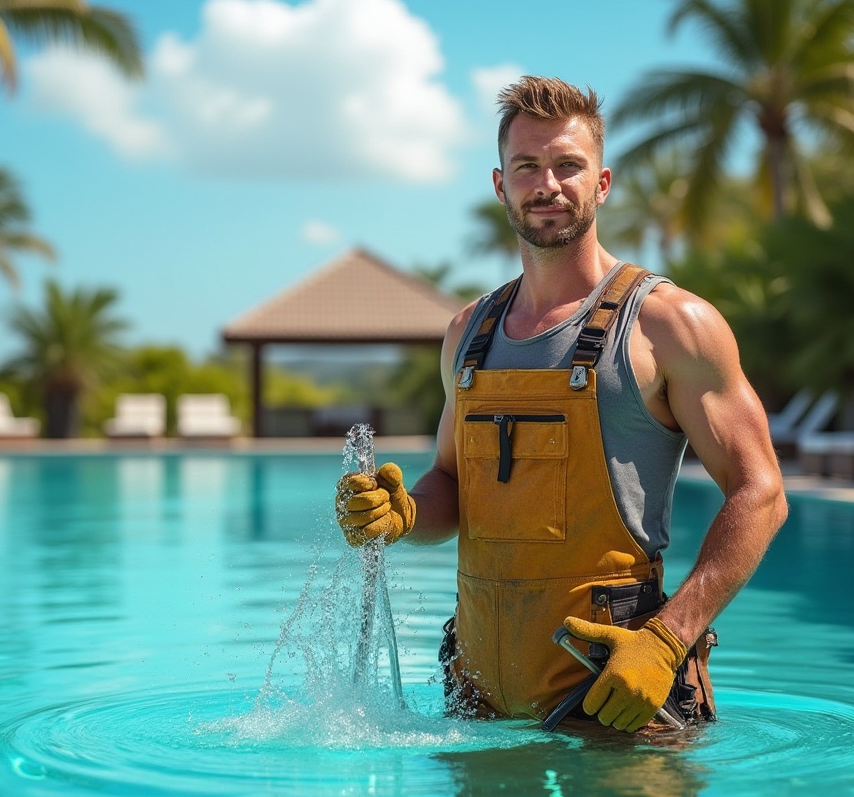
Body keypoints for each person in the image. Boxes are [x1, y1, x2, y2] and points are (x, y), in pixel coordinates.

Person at [335, 76, 787, 733]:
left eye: (567, 165)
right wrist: (401, 514)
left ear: (601, 183)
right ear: (501, 185)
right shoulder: (468, 333)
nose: (547, 183)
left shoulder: (669, 323)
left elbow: (762, 493)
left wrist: (668, 639)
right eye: (527, 166)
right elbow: (452, 490)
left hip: (617, 701)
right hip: (479, 700)